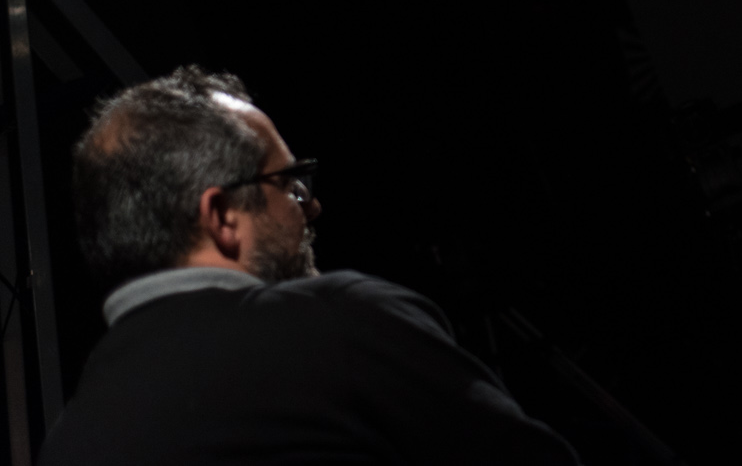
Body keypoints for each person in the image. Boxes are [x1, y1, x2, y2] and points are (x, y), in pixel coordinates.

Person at [41, 65, 582, 466]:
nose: (312, 205)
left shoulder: (71, 437)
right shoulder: (340, 327)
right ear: (222, 216)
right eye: (290, 184)